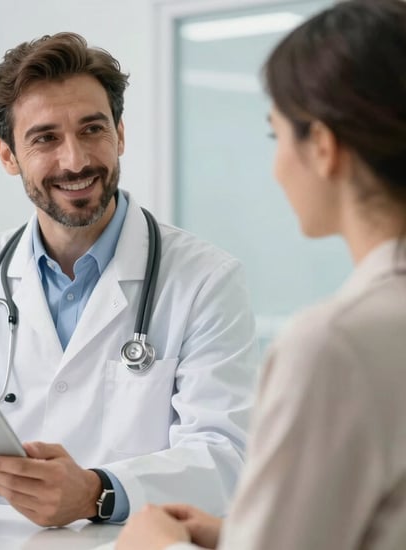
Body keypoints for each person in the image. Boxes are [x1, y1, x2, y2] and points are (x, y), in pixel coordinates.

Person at [0, 32, 259, 528]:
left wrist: (99, 493)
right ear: (7, 156)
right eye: (45, 138)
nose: (75, 161)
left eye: (93, 129)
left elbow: (226, 455)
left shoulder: (204, 279)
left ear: (121, 135)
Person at [115, 1, 406, 548]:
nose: (275, 168)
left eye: (276, 137)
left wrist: (156, 546)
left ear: (322, 146)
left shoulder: (336, 344)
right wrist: (238, 538)